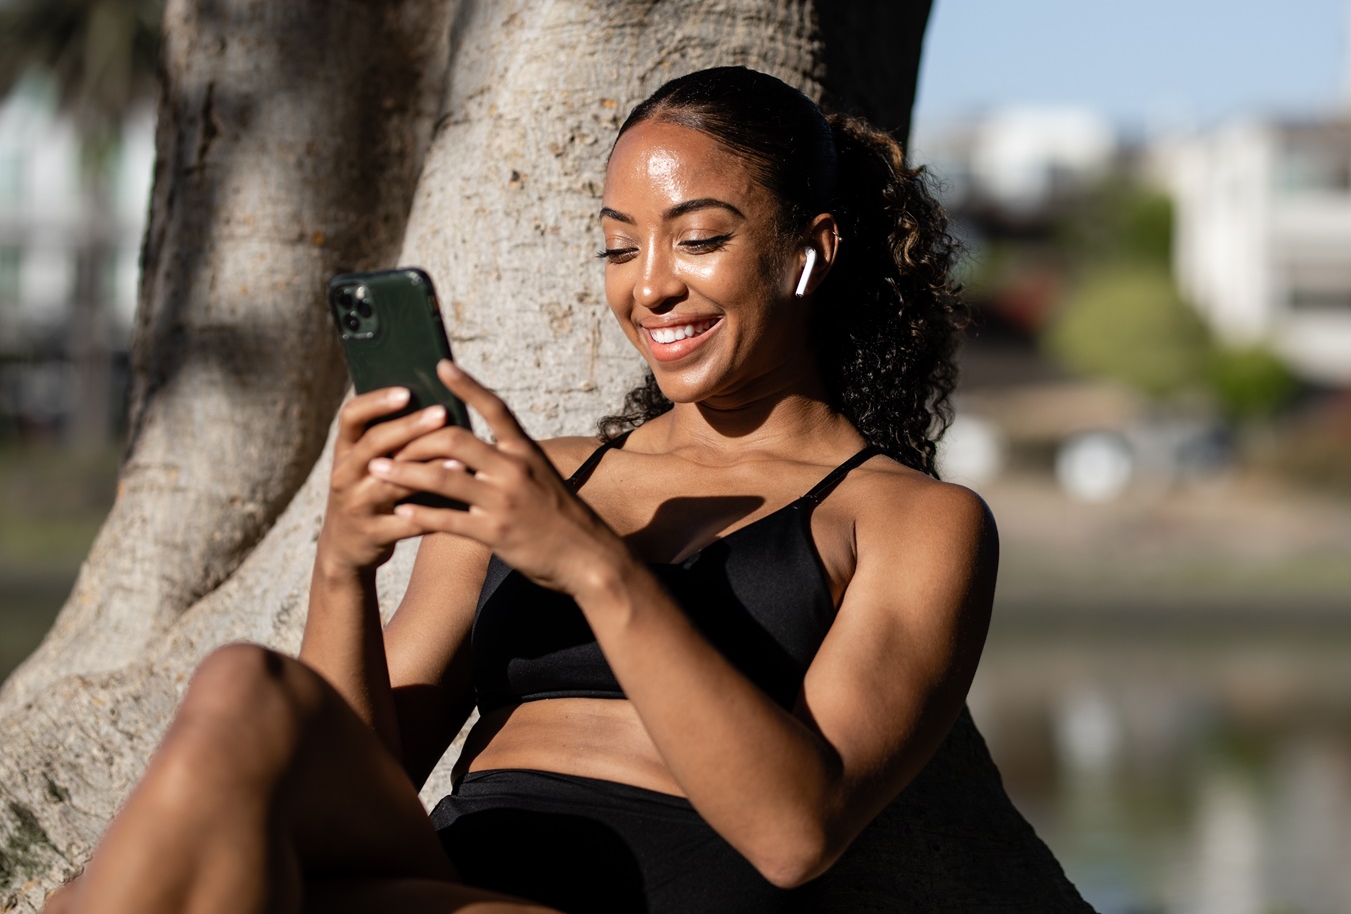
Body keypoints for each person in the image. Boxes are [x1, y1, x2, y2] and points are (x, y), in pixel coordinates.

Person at [49, 66, 997, 913]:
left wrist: (590, 562)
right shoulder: (537, 470)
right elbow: (361, 780)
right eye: (619, 250)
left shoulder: (910, 519)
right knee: (242, 683)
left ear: (811, 250)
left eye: (698, 238)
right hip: (442, 879)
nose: (652, 287)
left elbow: (797, 835)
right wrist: (342, 560)